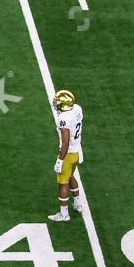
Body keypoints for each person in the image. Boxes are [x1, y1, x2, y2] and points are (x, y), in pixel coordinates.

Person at [48, 89, 84, 219]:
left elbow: (65, 143)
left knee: (63, 183)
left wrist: (60, 160)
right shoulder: (77, 109)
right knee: (70, 176)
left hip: (68, 154)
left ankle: (64, 214)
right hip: (77, 151)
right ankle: (78, 204)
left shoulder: (63, 119)